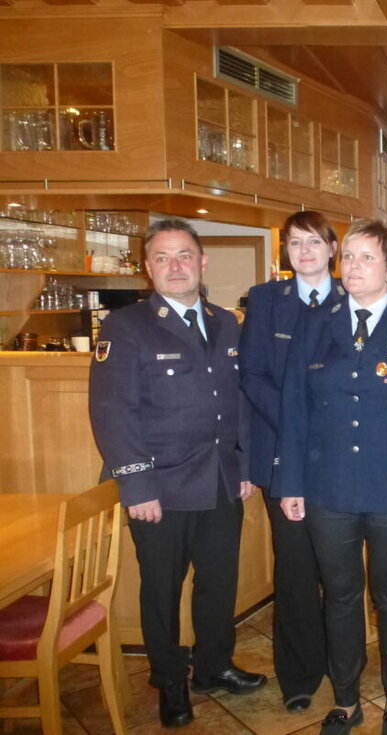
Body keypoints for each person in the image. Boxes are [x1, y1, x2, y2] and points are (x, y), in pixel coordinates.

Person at [89, 218, 267, 729]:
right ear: (147, 268)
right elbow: (112, 412)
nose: (175, 266)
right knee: (161, 589)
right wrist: (136, 484)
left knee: (218, 582)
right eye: (163, 258)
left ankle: (213, 666)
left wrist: (244, 464)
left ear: (202, 262)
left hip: (220, 480)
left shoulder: (226, 321)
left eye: (184, 255)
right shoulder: (125, 327)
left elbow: (240, 401)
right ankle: (170, 680)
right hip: (159, 489)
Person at [272, 219, 387, 735]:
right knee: (340, 594)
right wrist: (291, 483)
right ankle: (346, 698)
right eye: (348, 256)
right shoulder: (315, 324)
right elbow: (294, 406)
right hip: (328, 488)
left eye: (367, 258)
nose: (353, 267)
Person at [239, 211, 343, 712]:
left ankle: (342, 662)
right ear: (285, 251)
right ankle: (299, 674)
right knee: (296, 569)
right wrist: (296, 424)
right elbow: (253, 375)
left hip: (343, 460)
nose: (304, 251)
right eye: (294, 243)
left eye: (313, 242)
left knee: (341, 570)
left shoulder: (355, 296)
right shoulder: (264, 300)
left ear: (332, 247)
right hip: (284, 454)